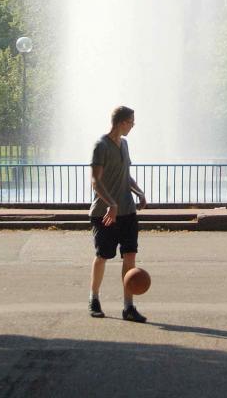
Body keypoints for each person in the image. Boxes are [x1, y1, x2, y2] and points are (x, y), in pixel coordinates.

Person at [88, 105, 148, 322]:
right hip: (105, 213)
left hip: (127, 211)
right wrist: (111, 204)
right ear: (122, 122)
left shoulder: (124, 144)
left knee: (130, 255)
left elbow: (125, 176)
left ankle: (128, 306)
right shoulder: (101, 146)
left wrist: (139, 192)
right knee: (102, 256)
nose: (133, 125)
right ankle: (94, 298)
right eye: (131, 122)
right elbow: (96, 181)